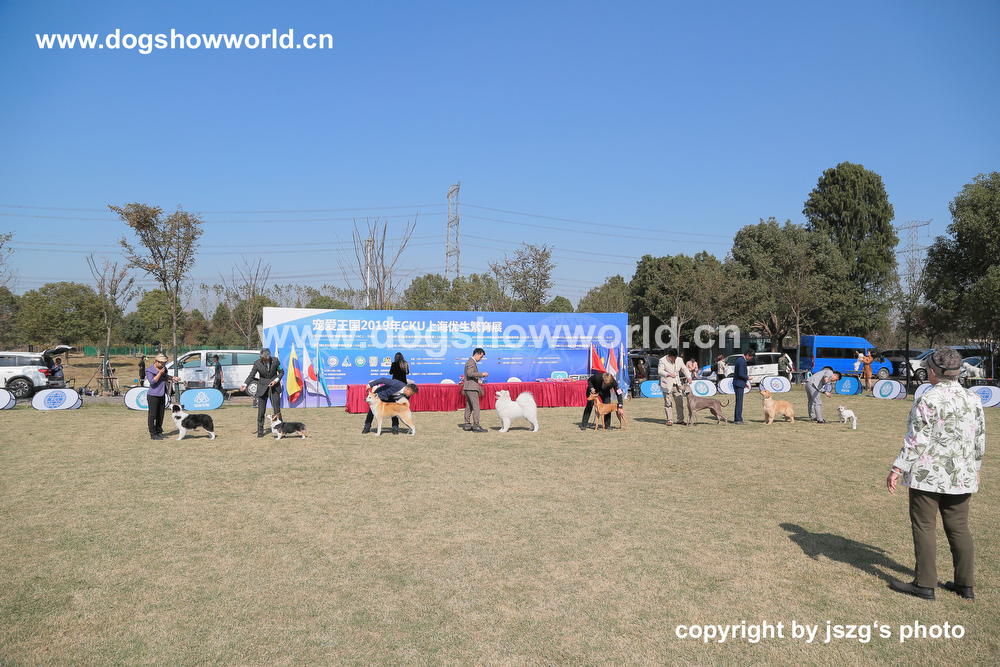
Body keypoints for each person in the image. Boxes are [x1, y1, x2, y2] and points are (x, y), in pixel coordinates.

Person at [887, 347, 986, 601]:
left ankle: (924, 584)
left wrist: (897, 468)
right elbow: (979, 438)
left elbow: (916, 440)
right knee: (959, 527)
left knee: (924, 526)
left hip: (927, 475)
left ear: (932, 371)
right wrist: (975, 468)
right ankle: (965, 584)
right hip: (961, 474)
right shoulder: (973, 398)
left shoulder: (927, 398)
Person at [240, 348, 284, 438]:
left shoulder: (275, 361)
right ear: (261, 357)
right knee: (261, 411)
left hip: (274, 388)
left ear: (269, 356)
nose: (266, 361)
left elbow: (281, 372)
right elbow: (251, 375)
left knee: (277, 410)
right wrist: (245, 384)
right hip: (262, 389)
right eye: (264, 359)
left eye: (267, 359)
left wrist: (275, 381)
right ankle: (260, 431)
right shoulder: (257, 363)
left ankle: (281, 430)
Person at [146, 352, 180, 440]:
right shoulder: (149, 370)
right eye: (162, 363)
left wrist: (173, 378)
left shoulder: (163, 368)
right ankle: (153, 434)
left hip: (162, 394)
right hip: (153, 395)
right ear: (157, 361)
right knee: (153, 415)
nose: (163, 365)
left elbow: (165, 377)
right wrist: (159, 373)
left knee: (160, 414)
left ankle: (159, 432)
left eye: (164, 363)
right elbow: (152, 382)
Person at [657, 349, 691, 425]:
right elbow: (660, 371)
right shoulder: (662, 360)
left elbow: (684, 369)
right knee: (668, 403)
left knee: (680, 402)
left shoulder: (679, 360)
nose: (673, 360)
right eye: (672, 358)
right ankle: (669, 420)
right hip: (667, 384)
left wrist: (689, 377)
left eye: (675, 358)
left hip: (677, 385)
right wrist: (668, 374)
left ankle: (680, 419)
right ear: (669, 356)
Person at [463, 348, 488, 432]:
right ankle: (476, 426)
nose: (480, 359)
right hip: (472, 388)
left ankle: (467, 425)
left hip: (469, 387)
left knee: (469, 407)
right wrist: (481, 374)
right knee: (476, 407)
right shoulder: (471, 362)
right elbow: (470, 373)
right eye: (480, 357)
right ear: (476, 354)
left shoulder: (470, 361)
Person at [388, 352, 410, 434]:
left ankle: (395, 427)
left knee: (394, 407)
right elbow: (407, 372)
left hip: (395, 387)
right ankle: (408, 425)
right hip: (403, 387)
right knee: (402, 407)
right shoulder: (405, 363)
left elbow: (391, 372)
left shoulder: (394, 364)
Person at [732, 350, 753, 425]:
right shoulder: (741, 361)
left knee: (739, 402)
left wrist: (745, 382)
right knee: (739, 402)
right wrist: (748, 377)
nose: (750, 359)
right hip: (738, 384)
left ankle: (738, 418)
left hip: (740, 383)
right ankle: (738, 419)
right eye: (750, 357)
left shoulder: (741, 360)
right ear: (747, 355)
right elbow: (740, 374)